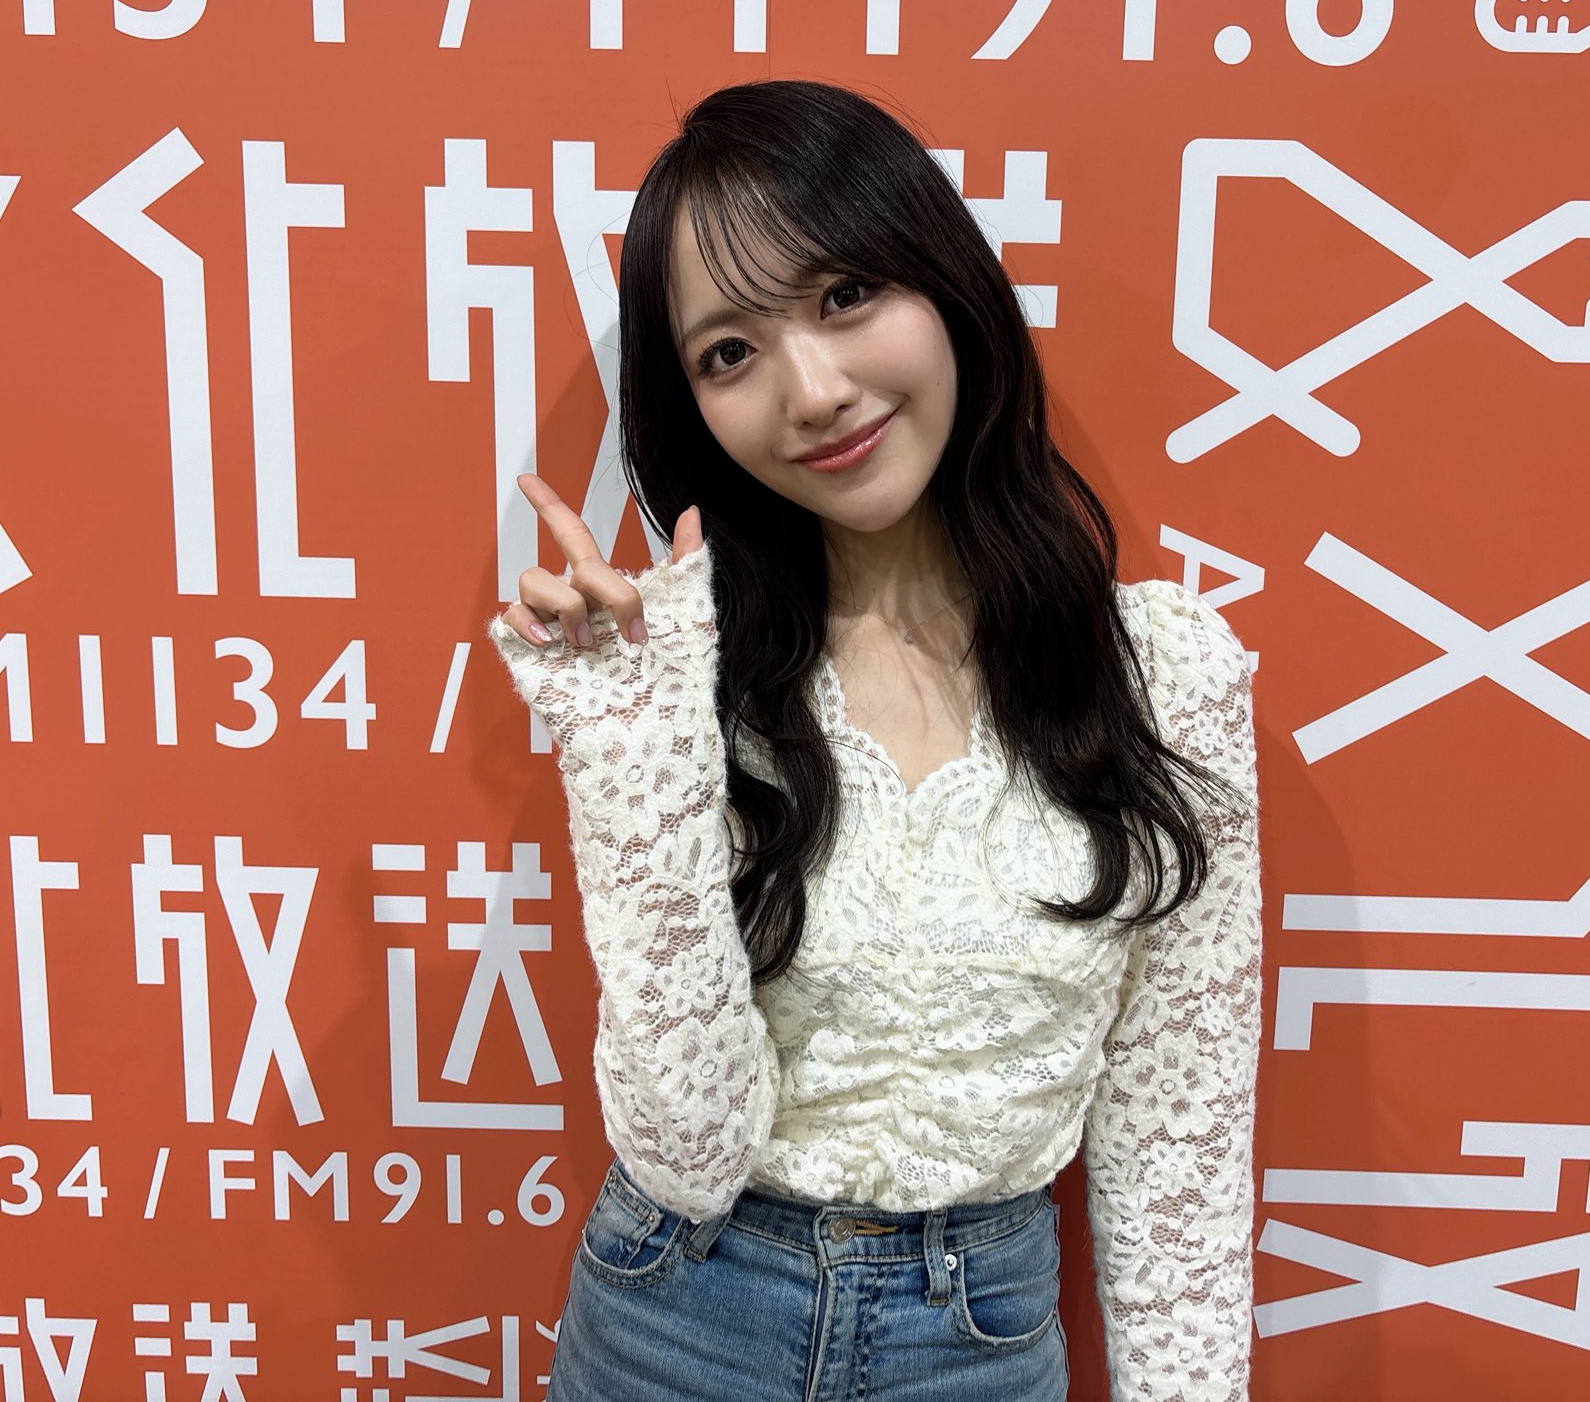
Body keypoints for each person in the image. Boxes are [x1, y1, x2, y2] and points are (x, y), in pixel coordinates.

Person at [485, 78, 1262, 1402]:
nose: (815, 391)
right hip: (676, 1323)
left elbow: (1180, 1146)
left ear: (944, 280)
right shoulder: (683, 674)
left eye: (846, 295)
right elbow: (688, 1150)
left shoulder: (1165, 675)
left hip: (977, 1345)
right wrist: (634, 756)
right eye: (730, 353)